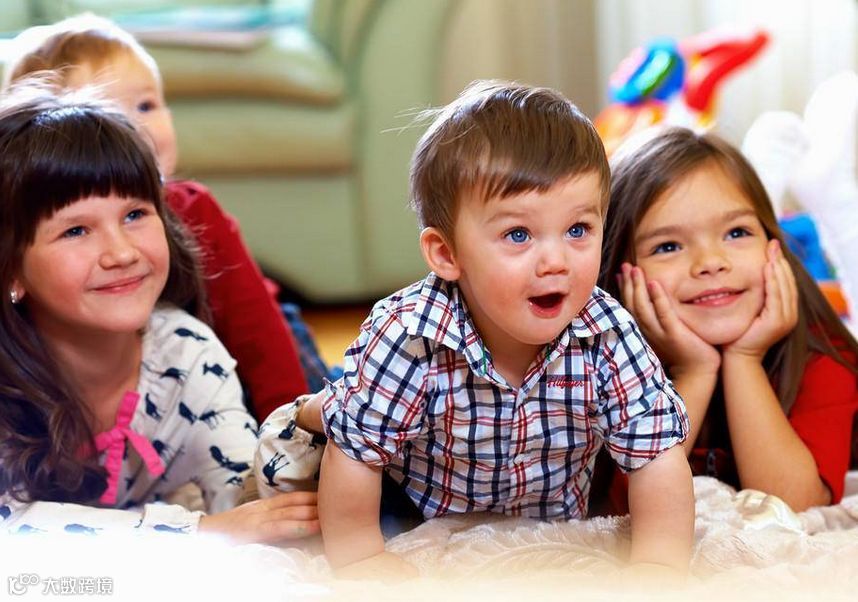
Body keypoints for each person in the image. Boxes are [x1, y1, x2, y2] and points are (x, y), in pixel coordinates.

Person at [256, 80, 694, 577]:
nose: (556, 261)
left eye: (578, 230)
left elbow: (657, 455)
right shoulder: (409, 336)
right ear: (447, 254)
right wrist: (361, 558)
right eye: (518, 234)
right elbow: (356, 456)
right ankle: (323, 405)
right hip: (410, 505)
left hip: (545, 520)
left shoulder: (607, 332)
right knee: (321, 467)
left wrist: (660, 565)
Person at [0, 86, 319, 541]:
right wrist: (194, 531)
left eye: (134, 215)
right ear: (11, 270)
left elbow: (247, 505)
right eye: (76, 230)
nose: (121, 253)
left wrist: (304, 426)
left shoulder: (186, 353)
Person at [1, 13, 333, 421]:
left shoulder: (193, 209)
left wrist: (292, 432)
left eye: (146, 105)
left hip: (247, 349)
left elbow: (259, 337)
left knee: (328, 413)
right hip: (132, 378)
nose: (135, 127)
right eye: (104, 112)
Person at [598, 126, 858, 514]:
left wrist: (744, 358)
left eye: (737, 232)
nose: (711, 262)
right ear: (617, 270)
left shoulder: (822, 356)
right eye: (668, 246)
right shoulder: (594, 363)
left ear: (774, 246)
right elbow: (617, 509)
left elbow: (794, 504)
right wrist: (694, 371)